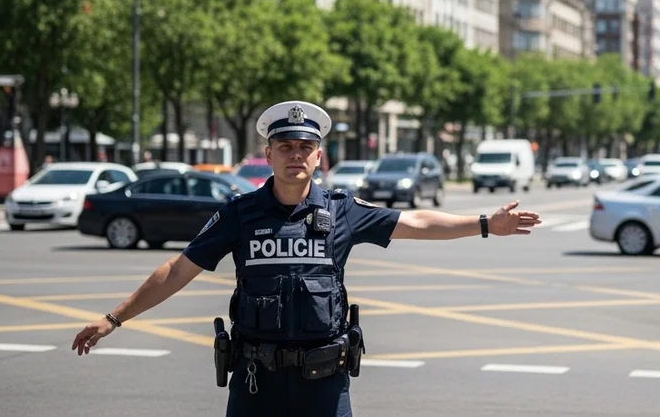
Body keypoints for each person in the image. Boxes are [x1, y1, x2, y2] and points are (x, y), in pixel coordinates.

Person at [70, 100, 541, 416]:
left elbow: (414, 222)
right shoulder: (240, 214)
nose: (296, 155)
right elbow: (178, 270)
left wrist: (484, 224)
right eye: (286, 147)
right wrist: (115, 318)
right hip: (256, 383)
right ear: (269, 154)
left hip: (324, 384)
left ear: (320, 157)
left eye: (305, 147)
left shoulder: (341, 210)